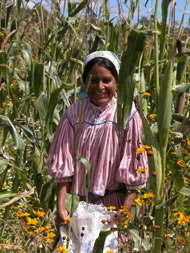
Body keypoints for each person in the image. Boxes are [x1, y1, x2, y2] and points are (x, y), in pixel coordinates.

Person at [48, 51, 148, 232]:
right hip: (77, 207)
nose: (100, 86)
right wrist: (61, 207)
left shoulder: (127, 115)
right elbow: (63, 168)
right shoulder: (73, 114)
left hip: (112, 208)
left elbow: (135, 167)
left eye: (107, 80)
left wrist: (126, 209)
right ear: (84, 81)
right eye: (93, 80)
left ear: (117, 82)